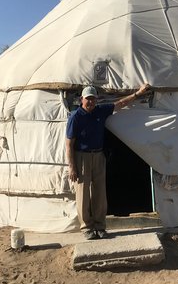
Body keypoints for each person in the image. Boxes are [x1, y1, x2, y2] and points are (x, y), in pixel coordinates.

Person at [65, 83, 151, 240]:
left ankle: (100, 226)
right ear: (81, 99)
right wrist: (72, 167)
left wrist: (138, 94)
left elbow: (120, 104)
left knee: (100, 193)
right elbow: (69, 144)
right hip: (81, 157)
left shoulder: (100, 111)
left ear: (96, 100)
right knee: (83, 194)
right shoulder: (75, 118)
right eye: (87, 99)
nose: (90, 102)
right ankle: (87, 228)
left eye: (93, 99)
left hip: (98, 155)